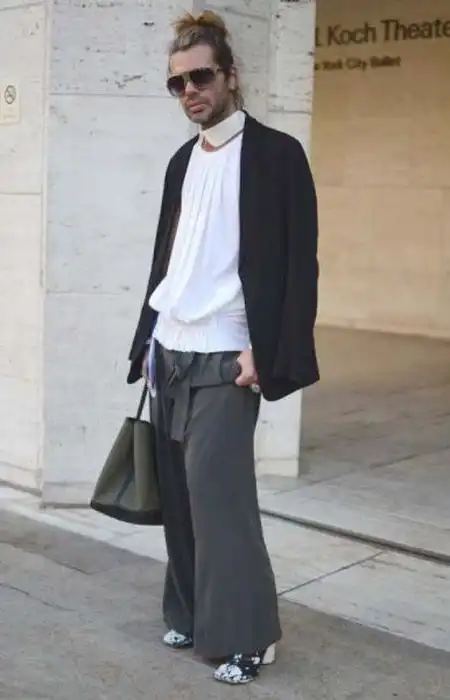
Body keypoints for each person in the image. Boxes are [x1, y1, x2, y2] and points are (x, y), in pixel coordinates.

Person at [127, 10, 319, 686]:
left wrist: (268, 349)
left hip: (227, 353)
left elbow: (300, 266)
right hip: (170, 349)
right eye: (177, 83)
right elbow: (169, 259)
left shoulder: (276, 155)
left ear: (231, 76)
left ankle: (247, 636)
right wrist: (146, 339)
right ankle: (190, 612)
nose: (190, 92)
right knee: (180, 499)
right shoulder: (182, 161)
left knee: (220, 499)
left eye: (201, 77)